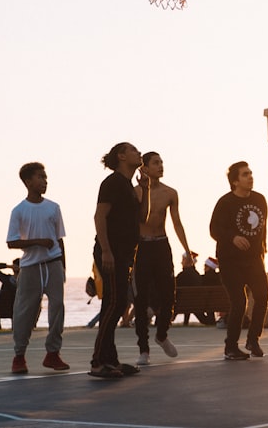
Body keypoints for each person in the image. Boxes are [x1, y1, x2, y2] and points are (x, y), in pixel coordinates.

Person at [6, 162, 69, 374]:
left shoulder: (53, 207)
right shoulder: (19, 211)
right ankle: (19, 356)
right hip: (30, 268)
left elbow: (59, 240)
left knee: (58, 306)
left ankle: (53, 353)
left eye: (45, 177)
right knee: (25, 311)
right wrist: (37, 242)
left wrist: (63, 267)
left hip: (54, 264)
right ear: (28, 182)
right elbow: (11, 242)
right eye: (40, 177)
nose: (45, 181)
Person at [132, 152, 192, 366]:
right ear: (144, 168)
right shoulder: (136, 192)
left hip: (161, 244)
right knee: (140, 301)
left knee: (169, 295)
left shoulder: (170, 193)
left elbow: (176, 222)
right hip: (142, 246)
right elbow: (136, 221)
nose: (160, 166)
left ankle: (162, 334)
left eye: (161, 162)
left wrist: (186, 249)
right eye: (155, 163)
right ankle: (143, 349)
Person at [90, 142, 144, 378]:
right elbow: (99, 216)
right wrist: (106, 250)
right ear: (121, 156)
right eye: (133, 150)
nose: (139, 153)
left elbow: (142, 217)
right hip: (112, 252)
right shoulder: (112, 183)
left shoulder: (129, 186)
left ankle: (110, 360)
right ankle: (98, 362)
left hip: (125, 253)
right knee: (115, 303)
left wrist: (145, 189)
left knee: (115, 303)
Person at [210, 161, 268, 360]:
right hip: (230, 260)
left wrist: (264, 247)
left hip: (254, 258)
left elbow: (263, 227)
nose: (250, 177)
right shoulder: (225, 202)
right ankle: (231, 347)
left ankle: (253, 339)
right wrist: (232, 238)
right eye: (245, 174)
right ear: (235, 181)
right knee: (239, 302)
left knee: (262, 297)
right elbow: (214, 229)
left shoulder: (260, 200)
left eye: (251, 173)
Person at [0, 259, 19, 330]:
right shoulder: (28, 281)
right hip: (18, 309)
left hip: (4, 309)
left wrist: (8, 266)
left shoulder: (6, 279)